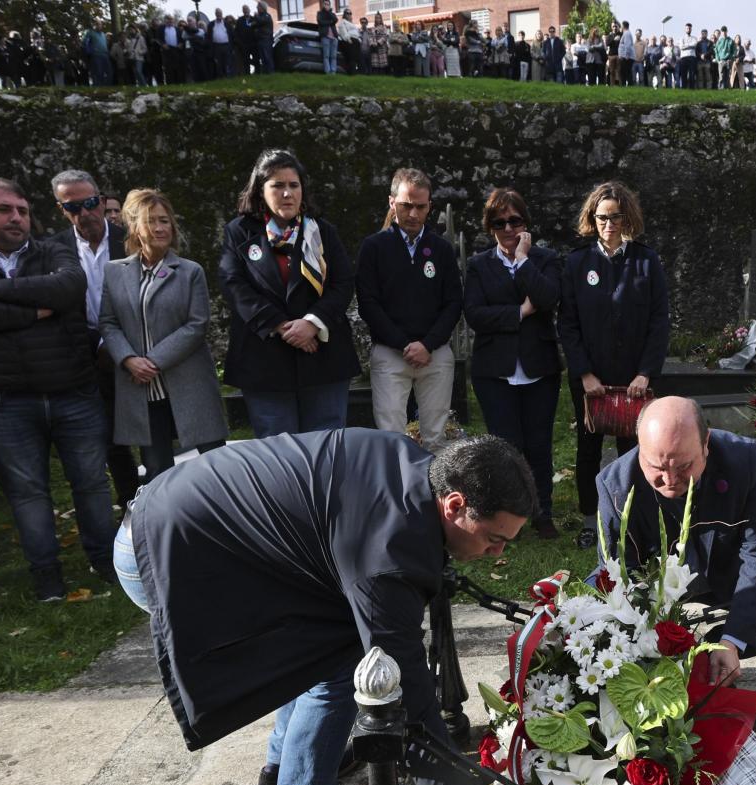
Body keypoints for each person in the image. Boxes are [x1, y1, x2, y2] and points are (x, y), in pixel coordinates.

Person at [113, 431, 531, 785]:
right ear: (453, 505)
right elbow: (410, 708)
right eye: (494, 538)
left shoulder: (418, 471)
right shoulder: (389, 549)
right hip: (171, 551)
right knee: (345, 669)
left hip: (183, 520)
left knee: (326, 644)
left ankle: (281, 775)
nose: (498, 553)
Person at [0, 177, 115, 602]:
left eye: (23, 211)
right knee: (28, 492)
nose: (17, 218)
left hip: (72, 390)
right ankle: (46, 575)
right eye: (4, 210)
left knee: (90, 483)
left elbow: (69, 288)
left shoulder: (53, 250)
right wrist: (36, 312)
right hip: (2, 399)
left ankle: (106, 562)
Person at [598, 397, 756, 684]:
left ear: (706, 444)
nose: (670, 480)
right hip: (658, 585)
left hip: (728, 570)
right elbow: (618, 576)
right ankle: (675, 660)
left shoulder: (743, 460)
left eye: (683, 466)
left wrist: (732, 640)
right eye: (656, 467)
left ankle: (711, 655)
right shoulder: (615, 486)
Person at [557, 181, 669, 549]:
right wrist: (585, 373)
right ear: (592, 219)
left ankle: (631, 517)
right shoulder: (577, 263)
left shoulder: (645, 261)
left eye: (615, 217)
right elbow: (568, 323)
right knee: (588, 448)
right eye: (601, 217)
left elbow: (658, 320)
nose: (608, 224)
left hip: (633, 377)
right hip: (591, 379)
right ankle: (592, 520)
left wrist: (645, 373)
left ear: (626, 217)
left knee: (634, 449)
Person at [219, 149, 357, 438]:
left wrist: (311, 323)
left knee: (326, 447)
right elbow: (234, 285)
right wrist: (282, 327)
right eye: (277, 186)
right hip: (265, 362)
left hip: (322, 358)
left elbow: (342, 283)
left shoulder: (322, 231)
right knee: (277, 454)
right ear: (260, 191)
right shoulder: (239, 233)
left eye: (293, 185)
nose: (287, 193)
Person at [97, 189, 227, 480]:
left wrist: (152, 362)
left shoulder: (189, 271)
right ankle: (169, 524)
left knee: (216, 464)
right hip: (141, 389)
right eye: (150, 221)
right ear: (133, 227)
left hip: (188, 383)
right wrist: (129, 359)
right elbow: (108, 321)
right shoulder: (114, 272)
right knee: (157, 471)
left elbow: (196, 325)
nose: (159, 228)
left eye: (165, 221)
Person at [464, 188, 561, 540]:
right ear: (490, 226)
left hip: (539, 368)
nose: (507, 228)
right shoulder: (478, 265)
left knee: (538, 443)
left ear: (526, 223)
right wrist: (520, 312)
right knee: (506, 447)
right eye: (499, 222)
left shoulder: (545, 259)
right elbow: (475, 314)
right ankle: (509, 515)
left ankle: (542, 512)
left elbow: (548, 297)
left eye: (514, 221)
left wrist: (522, 260)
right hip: (495, 371)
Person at [47, 170, 140, 510]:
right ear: (61, 209)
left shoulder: (132, 238)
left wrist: (120, 346)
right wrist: (97, 346)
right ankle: (131, 504)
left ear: (101, 202)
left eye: (89, 204)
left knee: (149, 435)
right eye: (73, 207)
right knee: (110, 438)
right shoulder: (53, 250)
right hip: (86, 356)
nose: (84, 214)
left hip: (136, 350)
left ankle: (165, 503)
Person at [357, 168, 461, 449]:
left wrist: (427, 344)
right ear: (392, 202)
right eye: (406, 205)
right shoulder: (373, 247)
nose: (413, 214)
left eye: (420, 206)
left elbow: (453, 302)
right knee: (390, 439)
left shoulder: (441, 249)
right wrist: (403, 344)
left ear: (430, 206)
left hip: (435, 353)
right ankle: (396, 492)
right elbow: (368, 303)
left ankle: (434, 492)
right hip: (391, 354)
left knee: (437, 438)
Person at [253, 1, 276, 74]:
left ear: (262, 7)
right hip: (260, 40)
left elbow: (260, 21)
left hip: (266, 40)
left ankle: (271, 73)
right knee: (263, 58)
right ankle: (266, 74)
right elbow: (254, 25)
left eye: (258, 6)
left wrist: (256, 16)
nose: (256, 8)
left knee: (267, 57)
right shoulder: (260, 16)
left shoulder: (266, 16)